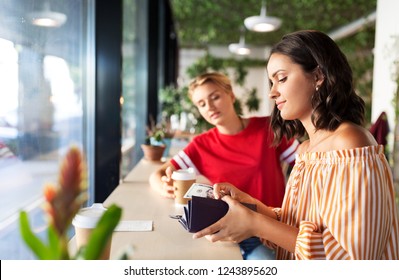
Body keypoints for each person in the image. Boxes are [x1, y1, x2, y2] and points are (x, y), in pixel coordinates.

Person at [192, 30, 399, 260]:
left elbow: (352, 259)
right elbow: (300, 225)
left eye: (281, 78)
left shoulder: (350, 143)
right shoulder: (305, 150)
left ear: (318, 76)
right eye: (272, 82)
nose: (272, 92)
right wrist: (252, 207)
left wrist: (255, 223)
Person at [149, 72, 299, 259]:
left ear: (231, 95)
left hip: (278, 224)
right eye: (202, 104)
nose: (210, 106)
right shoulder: (201, 145)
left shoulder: (267, 127)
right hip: (238, 232)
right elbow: (159, 173)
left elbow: (304, 164)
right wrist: (164, 186)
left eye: (215, 97)